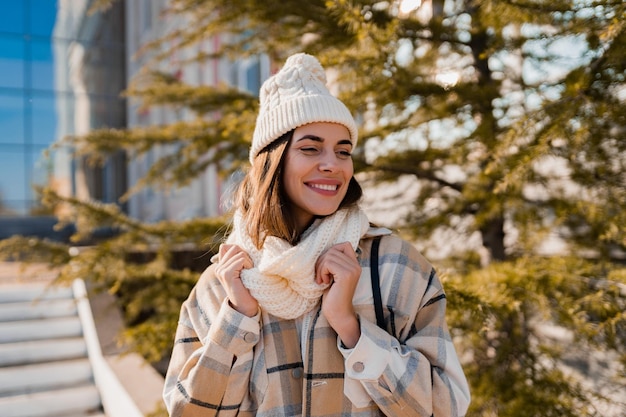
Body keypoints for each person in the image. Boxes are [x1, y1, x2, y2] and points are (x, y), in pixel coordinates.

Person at [163, 53, 471, 417]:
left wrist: (351, 327)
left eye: (343, 151)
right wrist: (237, 319)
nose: (332, 164)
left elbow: (446, 407)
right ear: (272, 161)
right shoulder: (224, 282)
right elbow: (188, 412)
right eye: (310, 148)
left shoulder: (395, 266)